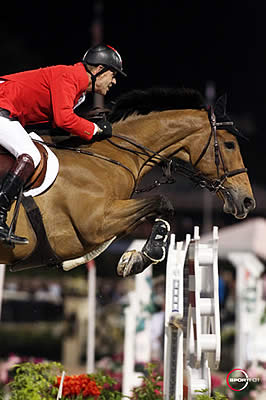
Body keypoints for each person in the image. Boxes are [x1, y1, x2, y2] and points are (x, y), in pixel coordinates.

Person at [0, 44, 127, 245]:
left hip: (9, 113)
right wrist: (94, 130)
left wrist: (90, 126)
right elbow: (63, 120)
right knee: (31, 155)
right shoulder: (68, 76)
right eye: (113, 74)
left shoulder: (79, 92)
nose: (114, 81)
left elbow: (57, 127)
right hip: (2, 108)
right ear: (99, 70)